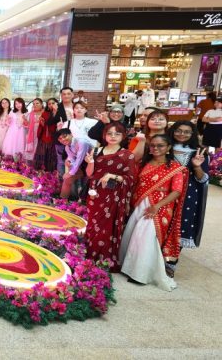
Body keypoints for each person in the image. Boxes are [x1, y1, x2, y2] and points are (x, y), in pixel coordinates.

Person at [120, 134, 188, 290]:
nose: (155, 148)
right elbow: (136, 185)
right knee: (133, 234)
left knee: (145, 237)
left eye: (160, 145)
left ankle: (140, 274)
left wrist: (157, 206)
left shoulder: (175, 168)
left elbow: (176, 192)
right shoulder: (144, 163)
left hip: (160, 206)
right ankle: (129, 267)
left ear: (169, 148)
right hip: (140, 203)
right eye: (153, 146)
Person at [84, 122, 137, 271]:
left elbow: (131, 178)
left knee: (107, 227)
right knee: (93, 225)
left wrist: (113, 176)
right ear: (104, 135)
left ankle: (105, 259)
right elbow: (90, 174)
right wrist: (90, 162)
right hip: (95, 194)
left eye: (117, 134)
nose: (113, 136)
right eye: (109, 133)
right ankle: (90, 255)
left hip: (114, 196)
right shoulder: (96, 150)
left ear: (123, 136)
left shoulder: (127, 155)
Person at [168, 121, 209, 254]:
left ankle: (171, 261)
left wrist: (197, 166)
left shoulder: (198, 152)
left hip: (188, 194)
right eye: (178, 130)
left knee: (181, 224)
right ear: (173, 131)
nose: (182, 134)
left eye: (186, 132)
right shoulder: (164, 147)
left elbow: (202, 179)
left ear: (192, 134)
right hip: (164, 191)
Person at [57, 128, 92, 200]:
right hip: (81, 165)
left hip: (92, 165)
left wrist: (70, 173)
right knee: (67, 179)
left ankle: (84, 202)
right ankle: (62, 200)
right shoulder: (67, 147)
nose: (63, 139)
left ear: (71, 134)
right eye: (60, 139)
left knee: (69, 176)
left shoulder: (81, 142)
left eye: (64, 136)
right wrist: (69, 165)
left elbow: (79, 159)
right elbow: (72, 159)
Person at [49, 87, 76, 177]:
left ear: (72, 95)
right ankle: (60, 182)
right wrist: (54, 111)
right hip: (61, 138)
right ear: (61, 95)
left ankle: (73, 183)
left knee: (75, 160)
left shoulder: (78, 106)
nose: (66, 96)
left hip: (75, 138)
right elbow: (50, 122)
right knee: (61, 160)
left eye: (68, 94)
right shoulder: (57, 107)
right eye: (64, 94)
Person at [34, 98, 58, 171]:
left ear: (57, 104)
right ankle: (40, 171)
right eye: (49, 104)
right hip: (44, 137)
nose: (51, 105)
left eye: (53, 103)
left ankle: (51, 172)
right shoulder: (45, 113)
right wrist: (42, 123)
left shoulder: (59, 113)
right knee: (42, 153)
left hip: (54, 137)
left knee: (51, 155)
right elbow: (42, 125)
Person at [24, 98, 44, 163]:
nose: (35, 105)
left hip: (42, 134)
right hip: (32, 135)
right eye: (34, 104)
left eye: (37, 103)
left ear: (42, 104)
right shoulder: (30, 114)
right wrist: (25, 121)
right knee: (32, 152)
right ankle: (30, 168)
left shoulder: (45, 113)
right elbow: (27, 126)